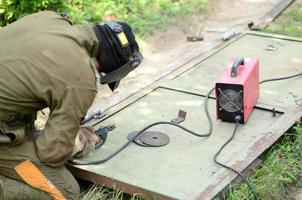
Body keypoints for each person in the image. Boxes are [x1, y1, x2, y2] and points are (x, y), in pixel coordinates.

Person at [0, 11, 142, 199]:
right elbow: (51, 154)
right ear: (113, 70)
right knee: (64, 192)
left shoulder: (50, 18)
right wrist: (83, 139)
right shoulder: (82, 78)